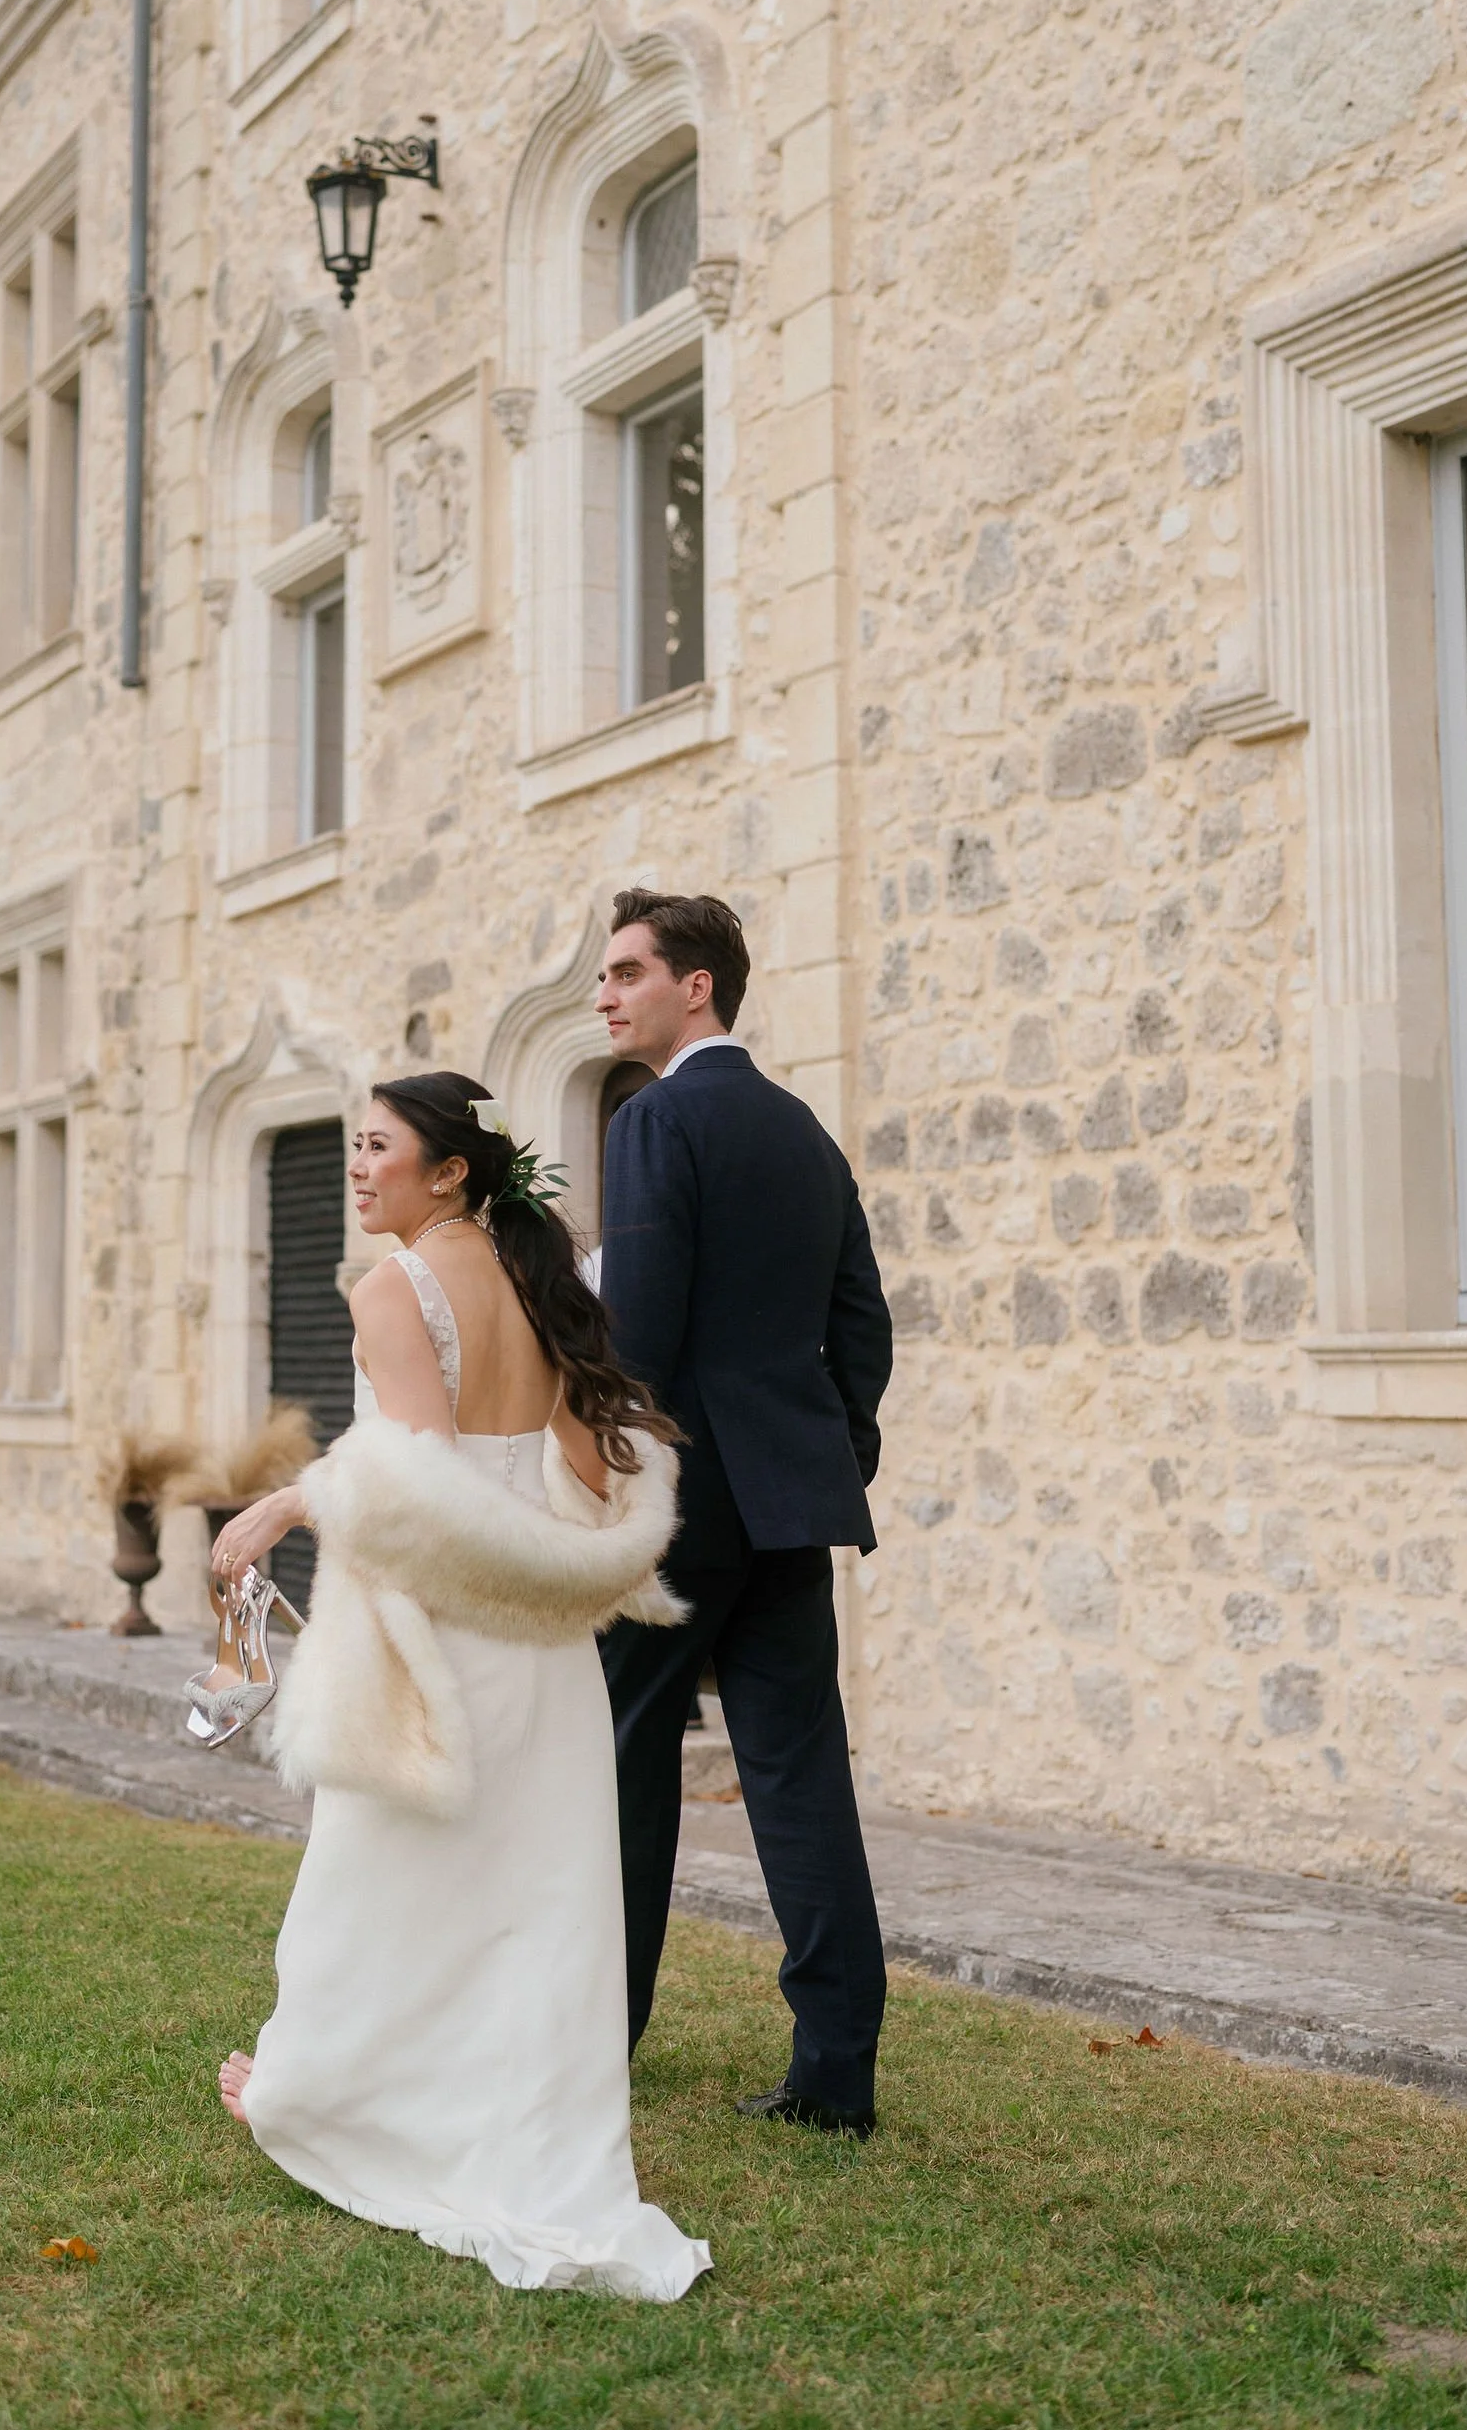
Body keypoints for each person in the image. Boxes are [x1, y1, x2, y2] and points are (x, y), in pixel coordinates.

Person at [211, 1069, 711, 2300]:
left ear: (447, 1171)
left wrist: (293, 1494)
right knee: (533, 1895)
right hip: (542, 1636)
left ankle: (315, 2090)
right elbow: (586, 1460)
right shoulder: (537, 1274)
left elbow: (421, 1477)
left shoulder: (394, 1286)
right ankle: (505, 2119)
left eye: (376, 1146)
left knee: (382, 1871)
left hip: (447, 1624)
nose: (356, 1164)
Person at [595, 889, 894, 2137]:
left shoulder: (656, 1118)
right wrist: (830, 1454)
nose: (605, 995)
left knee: (621, 1760)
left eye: (624, 971)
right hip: (788, 1493)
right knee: (798, 1772)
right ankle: (835, 2072)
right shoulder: (803, 1129)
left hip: (678, 1498)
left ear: (695, 986)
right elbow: (860, 1323)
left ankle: (593, 2032)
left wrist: (613, 1478)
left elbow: (642, 1333)